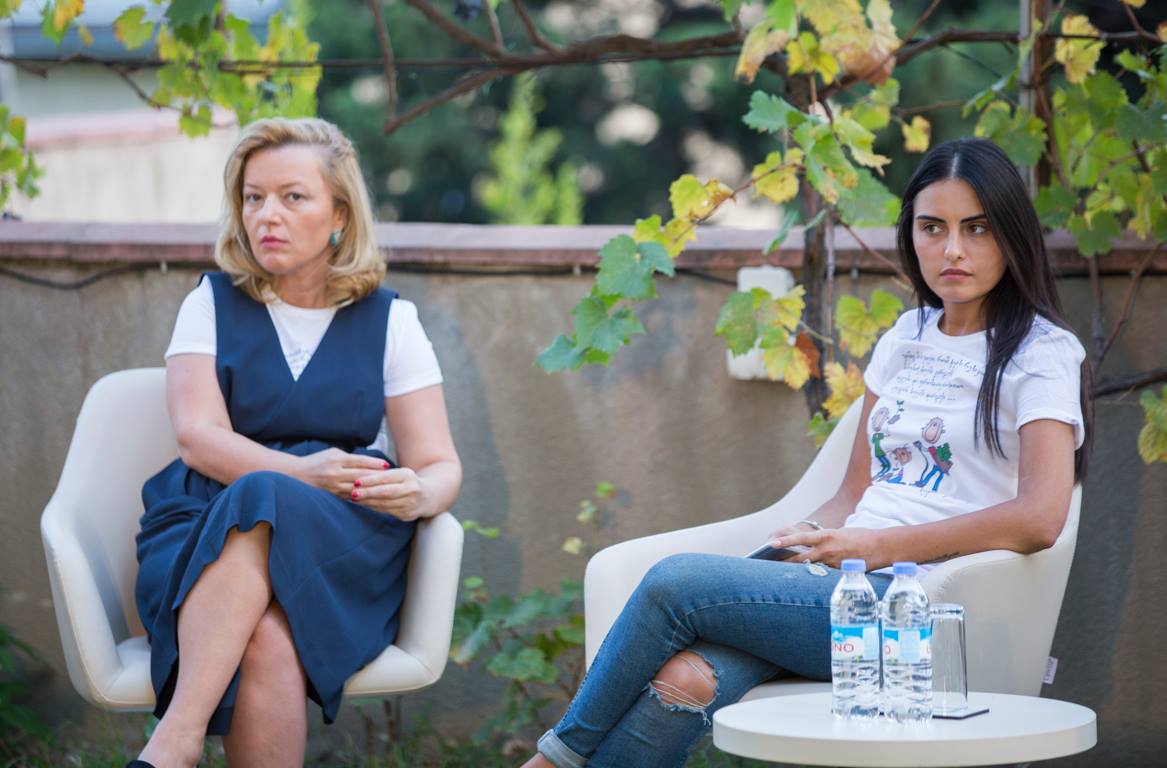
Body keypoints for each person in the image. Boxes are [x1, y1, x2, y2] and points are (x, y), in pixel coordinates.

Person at [522, 137, 1093, 768]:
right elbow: (853, 493)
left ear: (1012, 236)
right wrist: (803, 543)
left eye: (976, 228)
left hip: (921, 605)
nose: (952, 249)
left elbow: (1041, 517)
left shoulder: (1040, 353)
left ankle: (553, 760)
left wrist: (877, 548)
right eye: (933, 228)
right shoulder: (907, 337)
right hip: (842, 587)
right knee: (687, 679)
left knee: (674, 582)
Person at [129, 117, 462, 768]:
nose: (267, 215)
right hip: (204, 521)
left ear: (339, 215)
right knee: (269, 637)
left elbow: (440, 464)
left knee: (267, 497)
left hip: (339, 535)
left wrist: (419, 491)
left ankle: (173, 742)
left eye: (292, 197)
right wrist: (299, 472)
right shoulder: (209, 302)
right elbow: (197, 438)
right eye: (253, 197)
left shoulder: (393, 320)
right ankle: (180, 740)